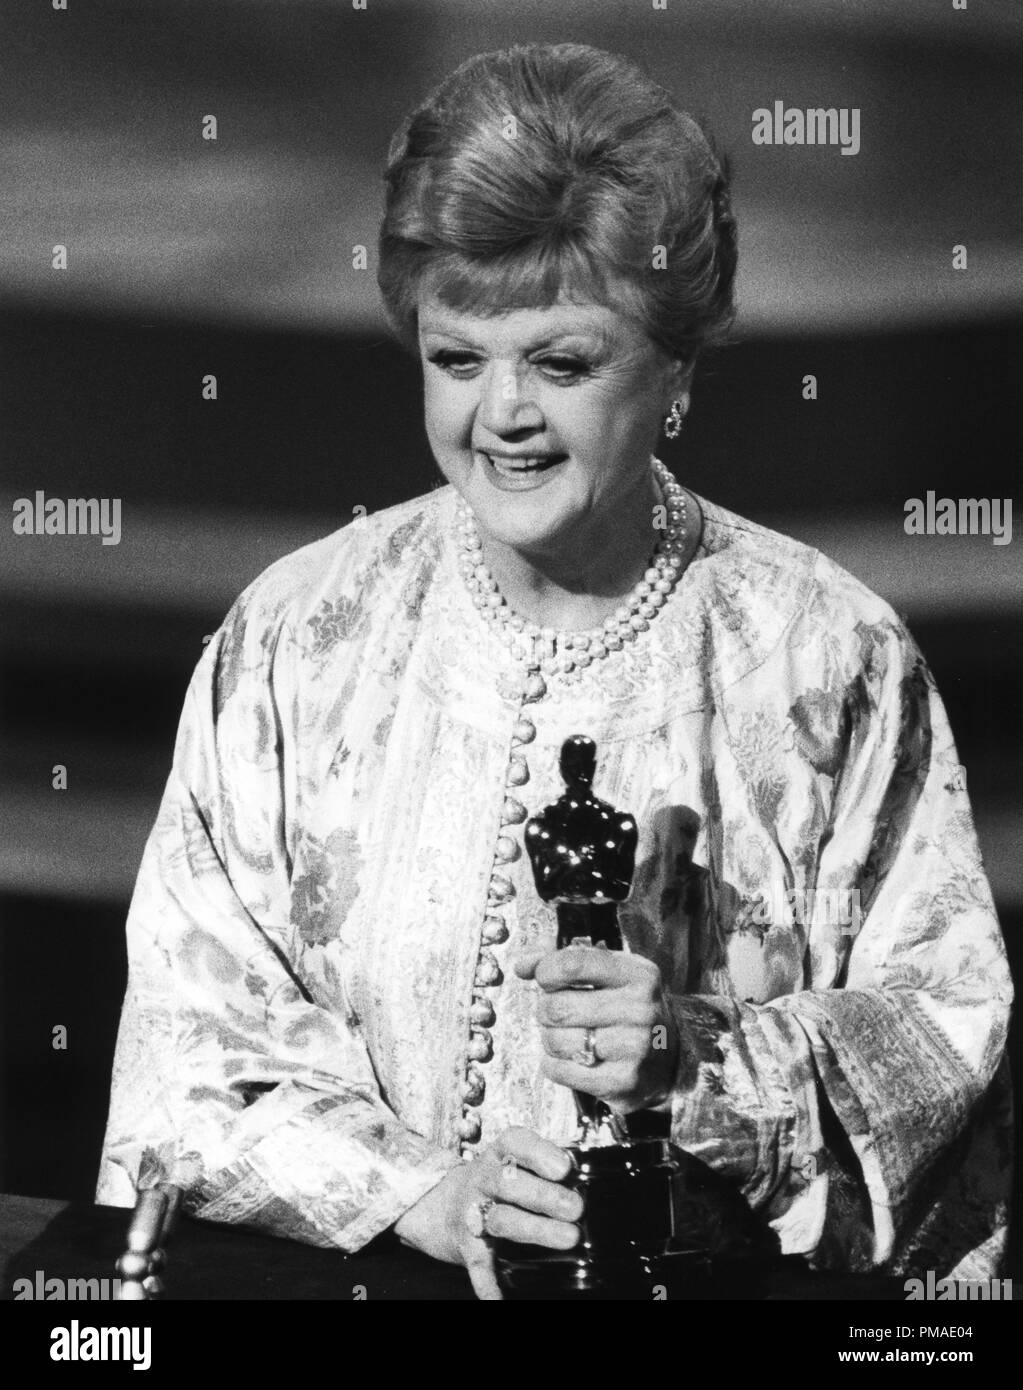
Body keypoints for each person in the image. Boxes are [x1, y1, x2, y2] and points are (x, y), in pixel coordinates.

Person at [97, 43, 1012, 1300]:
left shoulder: (828, 657)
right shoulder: (299, 635)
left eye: (564, 364)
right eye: (458, 358)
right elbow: (191, 1037)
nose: (504, 415)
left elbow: (945, 1028)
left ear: (677, 366)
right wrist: (415, 1191)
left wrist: (700, 1062)